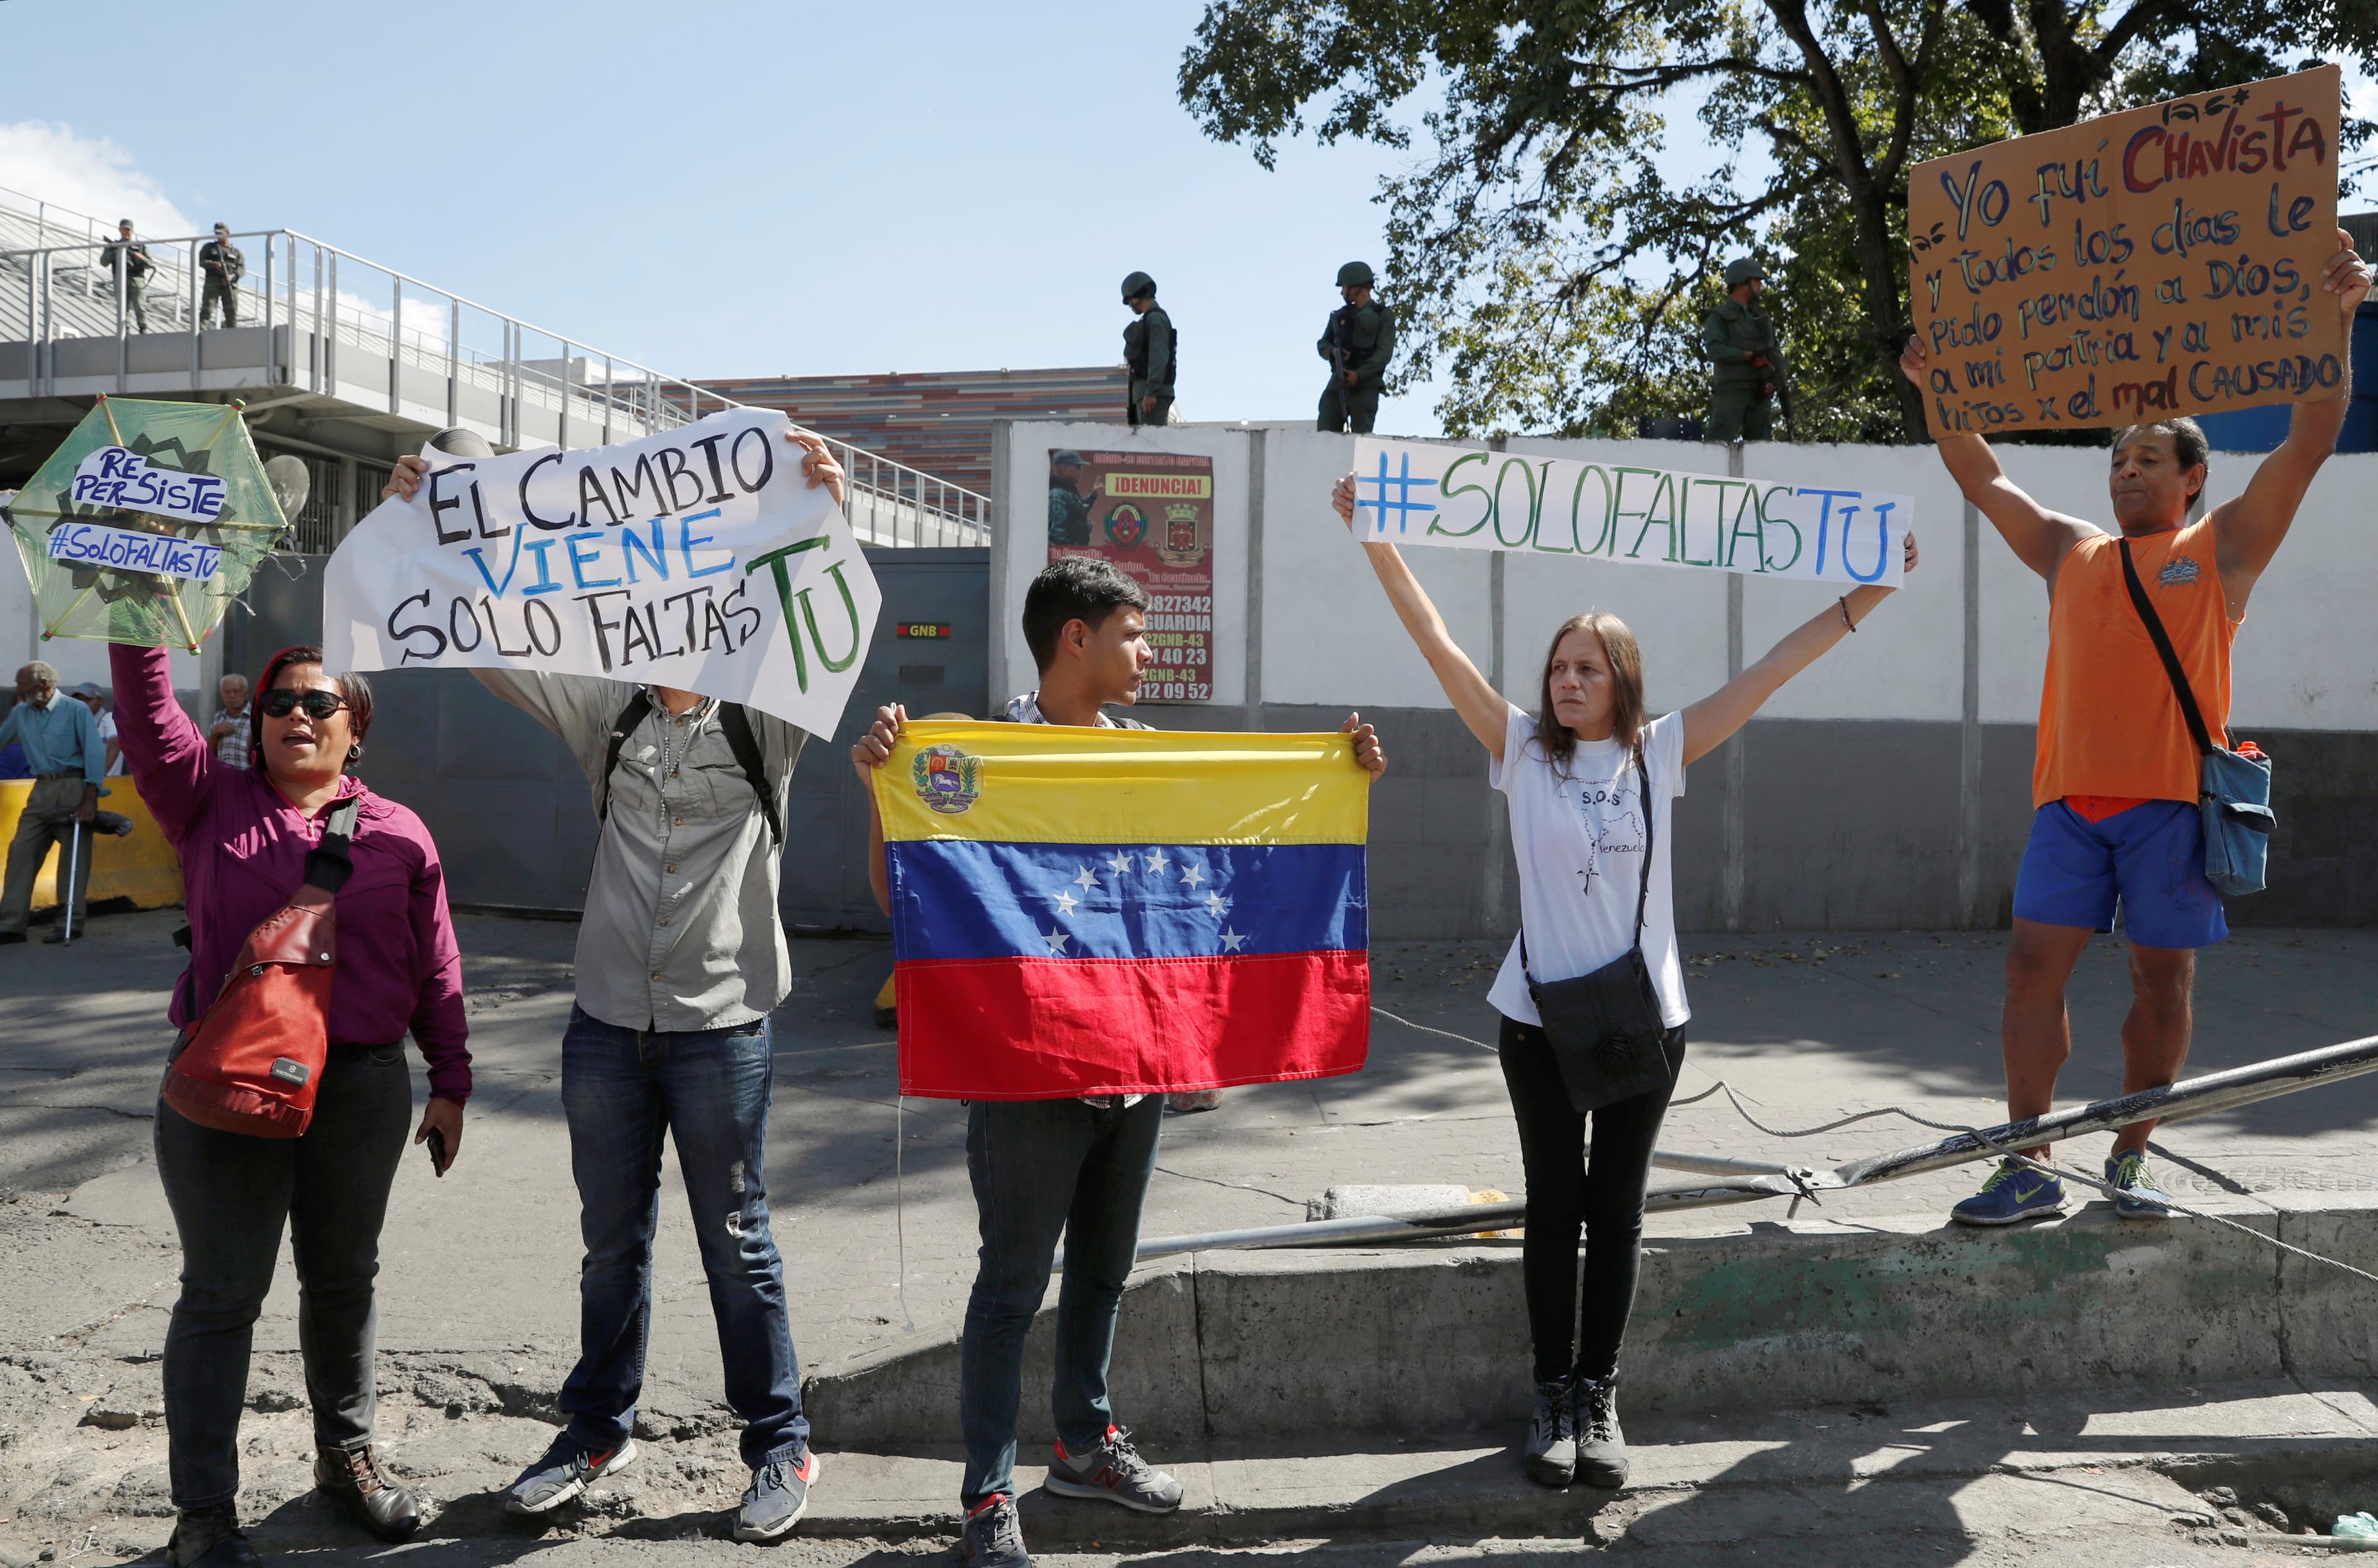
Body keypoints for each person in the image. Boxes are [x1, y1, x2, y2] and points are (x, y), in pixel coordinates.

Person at [1332, 471, 1914, 1490]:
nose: (1566, 680)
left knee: (1620, 1211)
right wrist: (1374, 534)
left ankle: (1601, 1391)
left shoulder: (1663, 750)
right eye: (1559, 665)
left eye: (1587, 668)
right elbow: (1437, 641)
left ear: (1622, 680)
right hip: (1539, 1022)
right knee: (1555, 1207)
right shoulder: (1519, 748)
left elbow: (1775, 667)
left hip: (1646, 1022)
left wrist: (1868, 593)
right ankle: (1551, 1393)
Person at [849, 555, 1387, 1568]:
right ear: (1075, 639)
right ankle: (985, 1498)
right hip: (1028, 1074)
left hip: (1132, 1075)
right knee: (1011, 1285)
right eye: (1135, 634)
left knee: (1103, 1273)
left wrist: (1337, 770)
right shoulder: (984, 755)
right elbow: (904, 900)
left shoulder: (1145, 755)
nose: (1149, 652)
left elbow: (1240, 838)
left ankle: (1084, 1447)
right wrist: (881, 788)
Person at [380, 421, 846, 1543]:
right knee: (609, 1241)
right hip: (604, 1026)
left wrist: (824, 512)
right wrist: (418, 522)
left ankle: (781, 1445)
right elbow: (484, 634)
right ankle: (595, 1427)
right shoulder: (609, 710)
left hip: (722, 1024)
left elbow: (825, 631)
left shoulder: (764, 721)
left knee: (737, 1237)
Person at [1901, 228, 2372, 1227]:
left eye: (2147, 457)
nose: (2125, 470)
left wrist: (2337, 321)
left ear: (2191, 476)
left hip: (2169, 814)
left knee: (2163, 985)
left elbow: (2310, 441)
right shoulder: (2072, 550)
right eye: (2118, 457)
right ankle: (2026, 1159)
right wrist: (1939, 387)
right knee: (2031, 969)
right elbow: (1983, 478)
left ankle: (2130, 1155)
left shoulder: (2224, 550)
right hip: (2069, 810)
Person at [107, 636, 471, 1568]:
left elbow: (434, 965)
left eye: (318, 702)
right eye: (278, 704)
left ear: (356, 729)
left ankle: (345, 1462)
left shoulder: (401, 831)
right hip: (229, 1084)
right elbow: (150, 722)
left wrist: (450, 1079)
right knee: (222, 1296)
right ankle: (204, 1515)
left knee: (345, 1281)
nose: (295, 715)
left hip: (360, 1087)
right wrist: (142, 608)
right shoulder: (207, 803)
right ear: (255, 724)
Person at [0, 661, 103, 945]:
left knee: (73, 857)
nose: (17, 689)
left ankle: (70, 923)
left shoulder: (76, 710)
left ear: (43, 685)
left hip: (74, 784)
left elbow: (94, 753)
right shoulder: (21, 713)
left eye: (22, 684)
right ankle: (11, 924)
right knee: (21, 849)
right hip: (41, 788)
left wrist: (90, 799)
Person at [1702, 258, 1783, 444]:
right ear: (1741, 282)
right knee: (1717, 446)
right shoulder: (1720, 316)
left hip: (1760, 392)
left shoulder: (1761, 318)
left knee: (1761, 450)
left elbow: (1776, 353)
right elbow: (1715, 350)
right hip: (1731, 390)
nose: (1760, 286)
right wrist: (1747, 356)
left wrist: (1774, 381)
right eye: (1756, 280)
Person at [1317, 261, 1395, 435]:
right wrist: (1333, 352)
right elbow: (1323, 344)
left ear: (1356, 287)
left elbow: (1383, 354)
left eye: (1344, 287)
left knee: (1361, 439)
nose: (1342, 292)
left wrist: (1359, 375)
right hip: (1340, 380)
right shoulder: (1340, 316)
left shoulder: (1383, 316)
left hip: (1366, 385)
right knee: (1326, 429)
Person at [1120, 272, 1175, 427]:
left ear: (1136, 296)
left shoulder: (1155, 319)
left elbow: (1159, 357)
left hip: (1151, 394)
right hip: (1145, 392)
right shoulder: (1150, 319)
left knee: (1150, 445)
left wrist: (1151, 393)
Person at [100, 219, 154, 334]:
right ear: (120, 230)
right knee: (123, 307)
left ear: (132, 231)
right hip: (120, 277)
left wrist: (142, 258)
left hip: (137, 278)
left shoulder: (140, 246)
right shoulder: (113, 245)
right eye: (123, 230)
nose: (125, 232)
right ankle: (126, 329)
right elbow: (104, 262)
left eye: (128, 230)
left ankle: (143, 328)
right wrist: (116, 251)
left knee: (140, 305)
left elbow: (151, 264)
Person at [1047, 450, 1100, 548]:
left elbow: (1079, 509)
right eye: (1078, 467)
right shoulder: (1057, 496)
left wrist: (1094, 495)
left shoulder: (1067, 492)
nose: (1082, 471)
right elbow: (1058, 538)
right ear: (1064, 468)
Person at [71, 682, 124, 775]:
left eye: (88, 699)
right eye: (79, 700)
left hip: (108, 781)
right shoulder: (78, 723)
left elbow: (115, 744)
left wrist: (100, 774)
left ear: (101, 700)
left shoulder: (109, 719)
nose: (83, 703)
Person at [199, 225, 245, 329]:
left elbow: (241, 269)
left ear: (227, 233)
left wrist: (232, 276)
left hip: (230, 285)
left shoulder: (236, 252)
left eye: (220, 233)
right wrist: (214, 265)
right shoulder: (209, 248)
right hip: (213, 283)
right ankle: (200, 332)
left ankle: (232, 334)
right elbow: (201, 261)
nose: (218, 236)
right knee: (207, 309)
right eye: (216, 234)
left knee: (231, 312)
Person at [208, 674, 253, 770]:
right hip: (223, 778)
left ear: (247, 693)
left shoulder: (256, 717)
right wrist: (215, 734)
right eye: (227, 692)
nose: (232, 696)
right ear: (221, 695)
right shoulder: (219, 717)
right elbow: (209, 754)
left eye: (236, 691)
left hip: (248, 778)